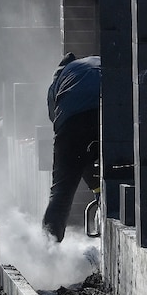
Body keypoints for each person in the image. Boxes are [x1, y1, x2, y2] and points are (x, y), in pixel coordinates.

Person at [42, 53, 101, 242]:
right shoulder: (95, 61)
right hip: (110, 111)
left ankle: (49, 247)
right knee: (120, 169)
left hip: (72, 122)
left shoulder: (59, 81)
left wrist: (76, 162)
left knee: (61, 191)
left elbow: (56, 122)